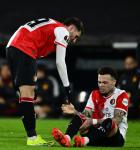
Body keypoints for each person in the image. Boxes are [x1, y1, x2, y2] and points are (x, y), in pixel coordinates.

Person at [6, 17, 84, 146]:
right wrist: (67, 87)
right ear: (71, 28)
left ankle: (32, 136)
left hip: (12, 47)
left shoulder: (51, 24)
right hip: (25, 48)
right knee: (28, 94)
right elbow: (60, 62)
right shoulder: (63, 31)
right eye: (76, 36)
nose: (74, 41)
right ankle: (32, 138)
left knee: (26, 94)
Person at [52, 67, 129, 147]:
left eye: (104, 82)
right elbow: (86, 116)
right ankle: (66, 139)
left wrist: (93, 121)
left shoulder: (121, 95)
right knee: (79, 117)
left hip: (114, 139)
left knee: (109, 122)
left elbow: (117, 120)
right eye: (99, 82)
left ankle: (84, 141)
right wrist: (75, 111)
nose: (101, 85)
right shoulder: (94, 94)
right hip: (95, 137)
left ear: (114, 82)